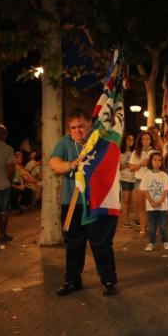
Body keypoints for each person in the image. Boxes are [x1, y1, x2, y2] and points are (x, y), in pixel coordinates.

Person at [49, 109, 118, 296]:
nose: (77, 131)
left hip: (97, 203)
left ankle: (109, 281)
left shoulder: (102, 144)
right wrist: (72, 165)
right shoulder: (65, 142)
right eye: (73, 128)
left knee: (101, 244)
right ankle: (72, 281)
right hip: (72, 204)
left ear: (90, 124)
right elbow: (54, 164)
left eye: (81, 126)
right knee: (73, 245)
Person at [140, 152, 168, 251]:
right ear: (151, 161)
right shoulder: (147, 175)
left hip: (162, 206)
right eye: (155, 160)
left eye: (159, 160)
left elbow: (166, 190)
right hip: (151, 206)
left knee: (163, 225)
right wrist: (151, 201)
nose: (157, 162)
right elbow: (145, 189)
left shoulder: (164, 175)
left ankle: (166, 242)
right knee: (152, 225)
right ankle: (151, 243)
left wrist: (160, 201)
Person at [129, 131, 156, 236]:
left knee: (153, 206)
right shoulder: (135, 153)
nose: (146, 141)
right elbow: (131, 168)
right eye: (144, 139)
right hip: (139, 181)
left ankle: (153, 228)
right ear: (140, 140)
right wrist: (140, 164)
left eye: (148, 139)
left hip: (152, 180)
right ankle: (143, 229)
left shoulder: (154, 152)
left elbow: (160, 165)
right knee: (142, 206)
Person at [119, 133, 135, 228]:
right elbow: (118, 167)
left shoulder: (134, 152)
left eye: (132, 139)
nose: (131, 141)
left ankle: (135, 219)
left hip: (134, 179)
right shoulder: (120, 153)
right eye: (129, 139)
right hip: (125, 179)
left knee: (133, 202)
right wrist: (126, 165)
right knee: (125, 200)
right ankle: (126, 220)